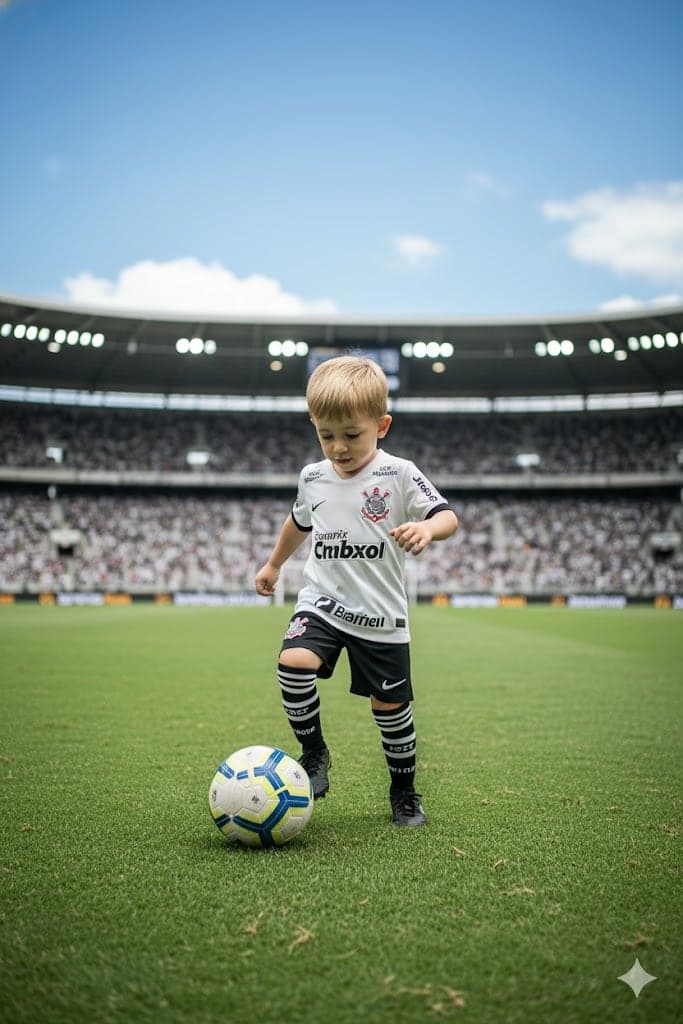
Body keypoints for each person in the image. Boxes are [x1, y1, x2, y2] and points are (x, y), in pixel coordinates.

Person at [255, 355, 458, 826]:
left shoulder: (399, 473)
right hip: (322, 600)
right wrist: (273, 564)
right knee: (293, 662)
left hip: (380, 613)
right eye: (326, 435)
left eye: (351, 435)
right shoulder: (312, 477)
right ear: (314, 426)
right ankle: (315, 754)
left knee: (389, 708)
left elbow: (447, 515)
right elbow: (298, 521)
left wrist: (428, 531)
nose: (338, 447)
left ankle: (404, 791)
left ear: (381, 425)